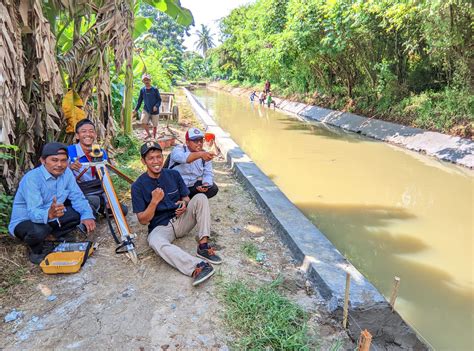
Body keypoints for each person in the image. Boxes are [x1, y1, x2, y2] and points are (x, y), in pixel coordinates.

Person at [131, 141, 222, 286]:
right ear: (143, 161)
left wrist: (184, 204)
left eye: (159, 157)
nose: (156, 161)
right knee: (154, 241)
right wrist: (154, 202)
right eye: (151, 158)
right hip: (161, 226)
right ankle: (198, 266)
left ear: (163, 157)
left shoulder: (173, 174)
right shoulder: (138, 186)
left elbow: (186, 197)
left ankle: (203, 246)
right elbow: (143, 220)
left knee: (200, 197)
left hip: (181, 220)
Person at [8, 142, 96, 264]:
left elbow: (78, 197)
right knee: (39, 231)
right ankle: (36, 251)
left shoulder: (67, 174)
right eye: (54, 160)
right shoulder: (32, 178)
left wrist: (87, 216)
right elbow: (33, 212)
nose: (59, 165)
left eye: (63, 160)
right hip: (27, 220)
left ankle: (53, 237)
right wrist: (48, 214)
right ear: (43, 161)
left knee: (84, 210)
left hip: (54, 216)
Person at [68, 118, 128, 217]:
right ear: (77, 136)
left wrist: (108, 199)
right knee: (91, 203)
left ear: (95, 135)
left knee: (122, 210)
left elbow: (105, 178)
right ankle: (90, 209)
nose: (88, 134)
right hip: (78, 192)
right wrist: (69, 167)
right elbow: (58, 175)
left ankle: (99, 207)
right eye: (83, 131)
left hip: (97, 190)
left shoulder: (100, 152)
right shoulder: (69, 152)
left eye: (91, 131)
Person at [169, 128, 218, 199]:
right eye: (195, 141)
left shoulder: (204, 154)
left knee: (213, 188)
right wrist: (200, 154)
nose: (199, 143)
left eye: (201, 141)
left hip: (191, 185)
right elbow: (183, 158)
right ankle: (181, 200)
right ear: (187, 142)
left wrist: (206, 184)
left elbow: (208, 173)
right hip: (176, 185)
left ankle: (191, 200)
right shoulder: (178, 149)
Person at [134, 73, 162, 140]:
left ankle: (154, 138)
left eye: (147, 80)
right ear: (143, 81)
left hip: (155, 111)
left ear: (150, 80)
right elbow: (140, 101)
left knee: (155, 125)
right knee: (143, 122)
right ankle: (149, 134)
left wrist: (156, 106)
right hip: (146, 109)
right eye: (145, 80)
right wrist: (136, 109)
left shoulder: (155, 89)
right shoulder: (142, 90)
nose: (146, 81)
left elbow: (159, 100)